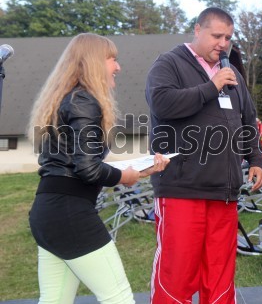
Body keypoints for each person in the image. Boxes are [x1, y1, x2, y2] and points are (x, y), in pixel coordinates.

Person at [28, 33, 170, 304]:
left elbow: (78, 163)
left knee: (54, 299)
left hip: (46, 212)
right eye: (112, 59)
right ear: (94, 62)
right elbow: (88, 169)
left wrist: (136, 170)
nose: (118, 67)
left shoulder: (65, 99)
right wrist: (125, 177)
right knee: (119, 298)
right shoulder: (84, 101)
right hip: (71, 214)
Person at [145, 7, 262, 304]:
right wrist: (211, 87)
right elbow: (162, 104)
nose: (223, 43)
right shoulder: (169, 63)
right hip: (181, 188)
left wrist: (256, 159)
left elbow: (248, 119)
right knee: (177, 274)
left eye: (228, 37)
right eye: (216, 35)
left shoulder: (232, 72)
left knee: (220, 275)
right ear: (197, 30)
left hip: (224, 192)